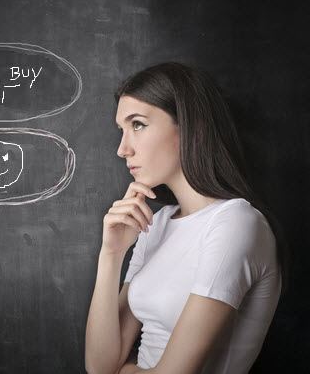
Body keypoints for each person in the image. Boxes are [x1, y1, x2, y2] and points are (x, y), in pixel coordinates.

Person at [84, 62, 289, 374]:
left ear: (190, 126)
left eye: (137, 125)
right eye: (121, 131)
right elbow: (99, 367)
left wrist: (122, 371)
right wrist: (111, 255)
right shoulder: (157, 223)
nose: (122, 149)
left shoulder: (235, 223)